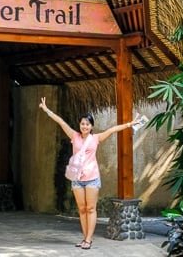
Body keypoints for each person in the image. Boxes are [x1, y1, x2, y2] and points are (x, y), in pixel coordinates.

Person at [39, 97, 143, 250]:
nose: (84, 126)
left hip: (92, 178)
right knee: (82, 209)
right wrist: (46, 110)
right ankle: (84, 238)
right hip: (77, 179)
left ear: (91, 126)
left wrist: (129, 124)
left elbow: (112, 130)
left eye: (87, 124)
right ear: (79, 125)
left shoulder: (96, 138)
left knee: (91, 209)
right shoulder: (74, 136)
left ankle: (88, 239)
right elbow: (61, 122)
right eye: (82, 123)